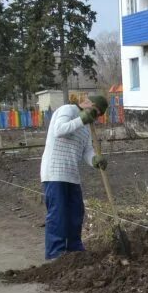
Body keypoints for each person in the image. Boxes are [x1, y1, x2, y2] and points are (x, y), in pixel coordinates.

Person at [40, 95, 108, 260]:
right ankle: (56, 253)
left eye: (97, 114)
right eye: (94, 110)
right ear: (87, 103)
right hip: (54, 172)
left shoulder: (87, 127)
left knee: (76, 212)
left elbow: (86, 150)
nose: (95, 115)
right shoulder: (67, 110)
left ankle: (74, 250)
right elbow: (59, 130)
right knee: (59, 214)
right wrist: (82, 119)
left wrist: (94, 159)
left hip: (72, 175)